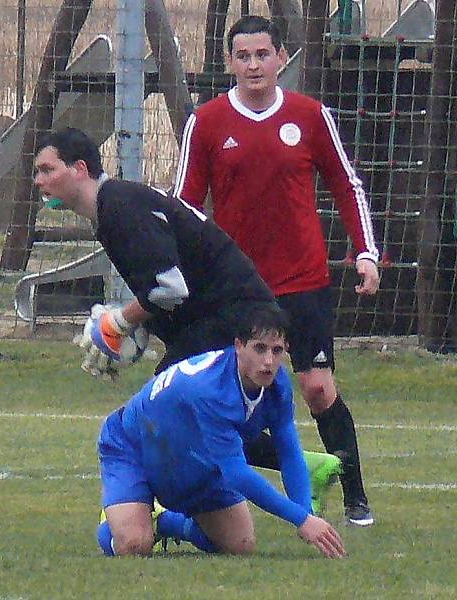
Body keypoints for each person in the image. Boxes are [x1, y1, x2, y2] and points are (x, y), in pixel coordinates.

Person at [33, 127, 342, 515]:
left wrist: (121, 323)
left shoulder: (118, 206)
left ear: (79, 168)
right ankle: (303, 467)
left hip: (234, 316)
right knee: (188, 408)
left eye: (47, 170)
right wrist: (141, 326)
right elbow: (172, 284)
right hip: (224, 313)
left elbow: (169, 287)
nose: (39, 181)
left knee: (170, 407)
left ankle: (161, 507)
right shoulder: (115, 204)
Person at [172, 15, 379, 527]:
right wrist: (180, 274)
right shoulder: (208, 122)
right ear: (229, 63)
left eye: (262, 54)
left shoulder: (310, 115)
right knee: (223, 392)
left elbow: (346, 184)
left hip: (303, 279)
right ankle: (212, 489)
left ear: (281, 57)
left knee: (317, 389)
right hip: (236, 288)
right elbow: (185, 209)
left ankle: (354, 493)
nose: (253, 65)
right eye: (242, 56)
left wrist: (366, 251)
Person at [96, 303, 346, 559]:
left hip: (189, 454)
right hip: (132, 446)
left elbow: (289, 452)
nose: (269, 361)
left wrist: (306, 514)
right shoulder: (211, 390)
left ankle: (164, 522)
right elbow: (237, 474)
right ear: (238, 345)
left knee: (240, 545)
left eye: (277, 350)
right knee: (135, 545)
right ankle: (119, 522)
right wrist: (300, 519)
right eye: (259, 348)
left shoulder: (277, 385)